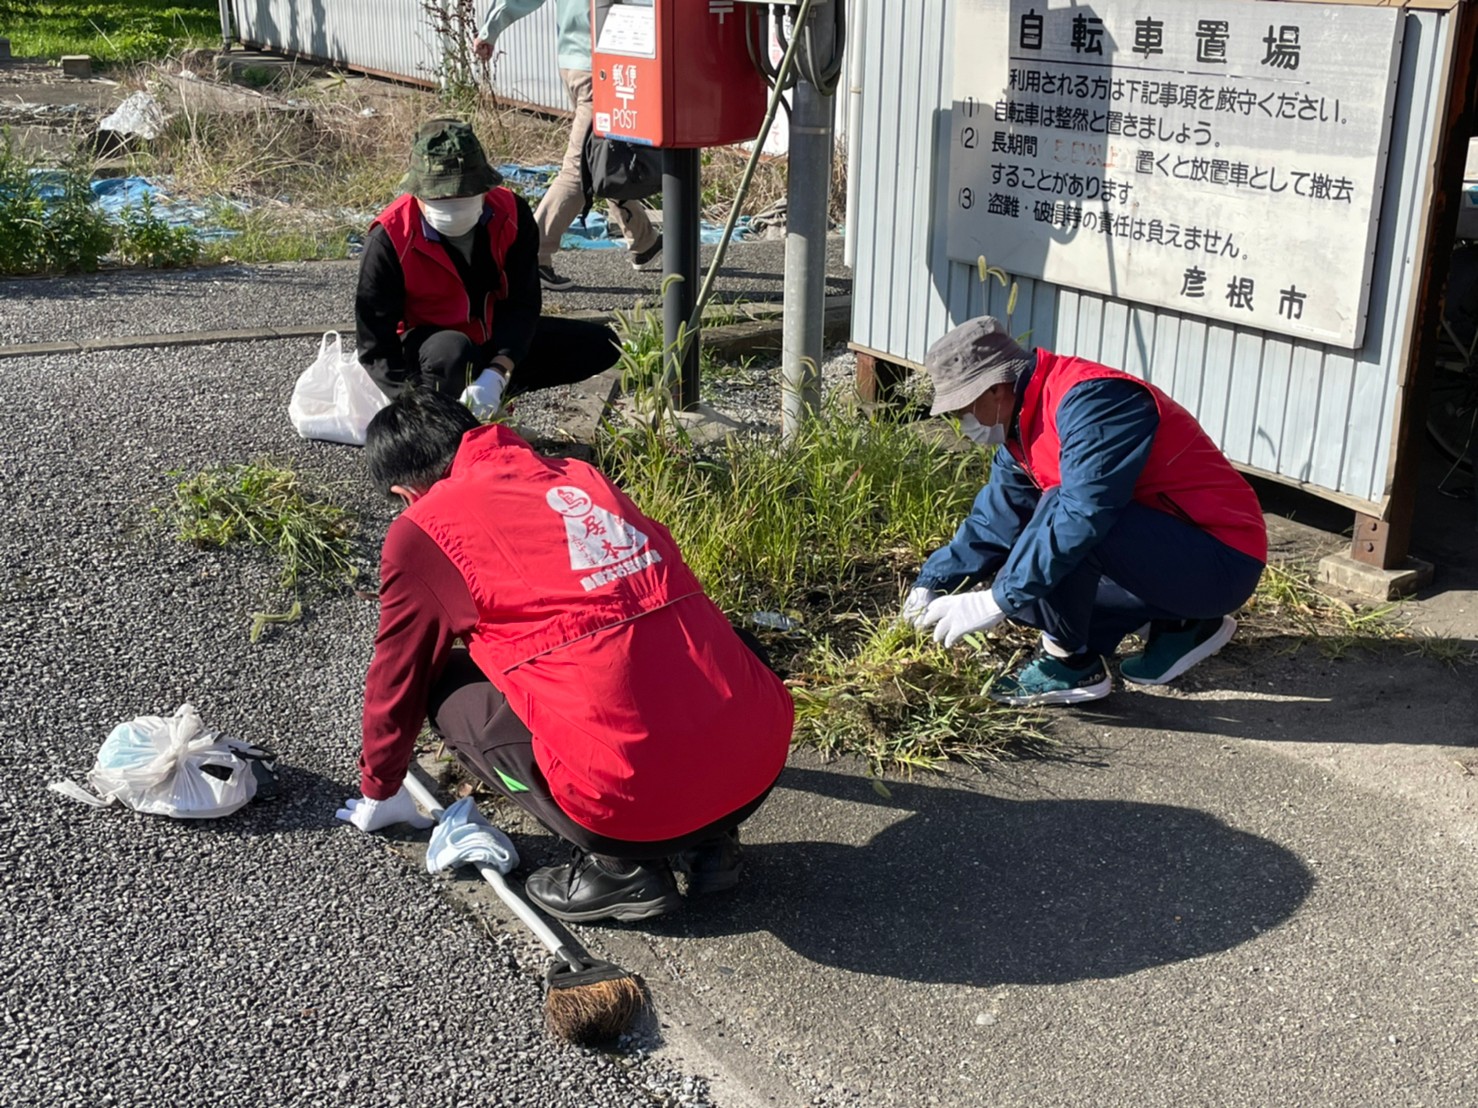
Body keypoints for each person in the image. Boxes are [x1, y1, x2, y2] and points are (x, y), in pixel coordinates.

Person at [335, 388, 793, 923]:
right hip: (757, 764)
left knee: (444, 687)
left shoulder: (424, 528)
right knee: (683, 636)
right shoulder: (578, 476)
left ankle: (621, 868)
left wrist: (381, 787)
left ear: (405, 492)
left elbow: (399, 675)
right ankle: (711, 844)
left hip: (629, 806)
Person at [900, 316, 1267, 707]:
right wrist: (934, 581)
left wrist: (994, 601)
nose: (962, 423)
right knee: (1034, 595)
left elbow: (1083, 512)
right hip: (1173, 554)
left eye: (963, 409)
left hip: (1222, 561)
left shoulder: (1093, 401)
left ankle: (1071, 665)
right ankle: (1181, 624)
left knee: (1055, 529)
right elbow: (997, 519)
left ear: (994, 389)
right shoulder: (1021, 428)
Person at [355, 117, 620, 418]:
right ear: (417, 193)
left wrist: (497, 372)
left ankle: (491, 397)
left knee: (600, 344)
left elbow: (523, 303)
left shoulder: (512, 214)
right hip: (431, 351)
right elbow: (375, 344)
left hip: (491, 337)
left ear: (483, 186)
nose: (453, 203)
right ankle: (443, 418)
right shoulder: (390, 237)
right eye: (441, 197)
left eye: (464, 193)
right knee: (454, 351)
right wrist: (411, 404)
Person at [473, 0, 661, 291]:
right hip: (602, 64)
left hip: (575, 62)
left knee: (605, 158)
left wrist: (491, 29)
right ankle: (530, 257)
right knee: (579, 171)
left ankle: (643, 239)